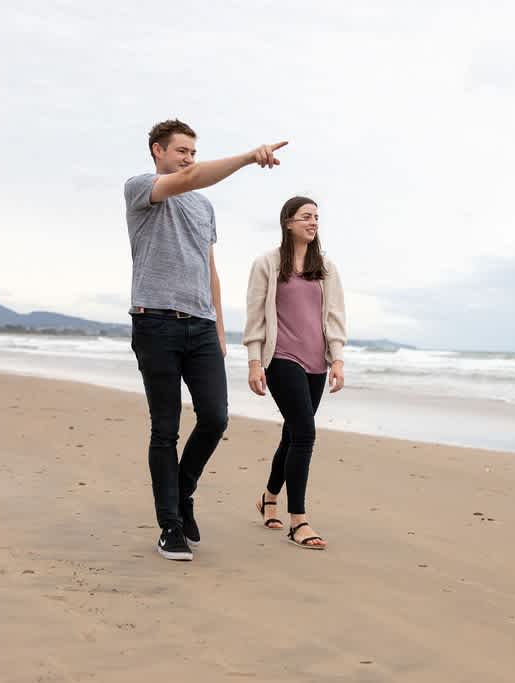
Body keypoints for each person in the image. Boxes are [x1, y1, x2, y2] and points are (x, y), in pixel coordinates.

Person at [124, 119, 286, 561]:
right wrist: (251, 156)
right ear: (158, 151)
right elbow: (189, 179)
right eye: (181, 151)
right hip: (155, 323)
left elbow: (208, 267)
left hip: (200, 326)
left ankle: (184, 491)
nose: (188, 160)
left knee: (215, 417)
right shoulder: (140, 188)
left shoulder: (203, 207)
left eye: (193, 152)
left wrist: (217, 327)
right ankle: (170, 526)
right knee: (166, 429)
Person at [243, 196, 347, 550]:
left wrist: (338, 359)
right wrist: (255, 362)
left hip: (317, 361)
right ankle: (298, 521)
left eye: (317, 217)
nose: (313, 222)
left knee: (292, 434)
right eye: (306, 216)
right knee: (305, 433)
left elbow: (334, 317)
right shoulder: (267, 264)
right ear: (288, 221)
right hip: (281, 358)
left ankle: (268, 497)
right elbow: (256, 316)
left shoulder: (326, 268)